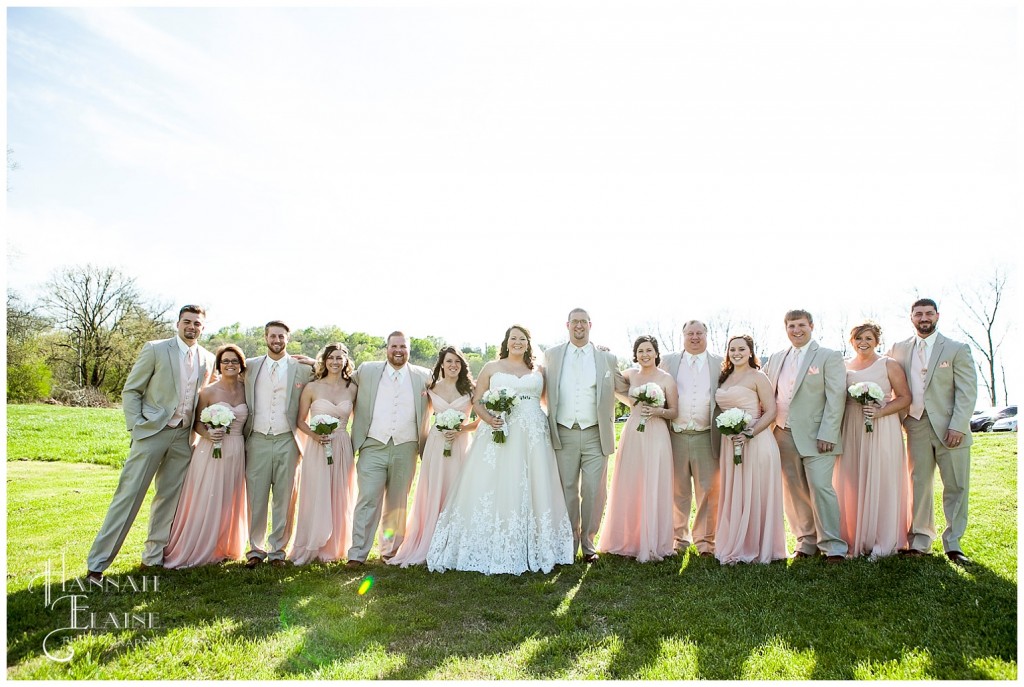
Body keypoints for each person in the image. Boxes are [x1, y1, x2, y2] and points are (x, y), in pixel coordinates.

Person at [427, 325, 574, 575]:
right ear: (506, 342)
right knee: (495, 484)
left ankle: (537, 545)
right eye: (513, 338)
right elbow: (477, 401)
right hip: (498, 430)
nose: (517, 342)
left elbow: (549, 401)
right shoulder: (491, 368)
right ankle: (490, 543)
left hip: (533, 434)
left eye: (522, 339)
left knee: (534, 484)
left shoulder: (539, 370)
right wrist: (489, 418)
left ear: (528, 343)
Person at [86, 305, 215, 581]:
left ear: (203, 328)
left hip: (184, 438)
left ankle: (153, 558)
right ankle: (98, 563)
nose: (192, 327)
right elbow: (131, 390)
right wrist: (136, 428)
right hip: (152, 434)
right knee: (128, 496)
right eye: (187, 322)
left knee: (168, 500)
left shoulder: (208, 358)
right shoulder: (156, 349)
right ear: (178, 324)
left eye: (197, 324)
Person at [888, 299, 977, 565]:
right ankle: (920, 541)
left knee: (956, 486)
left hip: (951, 427)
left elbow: (967, 391)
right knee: (919, 484)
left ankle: (953, 543)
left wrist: (958, 425)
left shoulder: (956, 348)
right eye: (918, 314)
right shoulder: (898, 349)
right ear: (911, 317)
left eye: (928, 313)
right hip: (915, 424)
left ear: (937, 315)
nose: (923, 318)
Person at [763, 309, 848, 563]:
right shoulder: (777, 357)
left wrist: (829, 433)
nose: (796, 330)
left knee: (821, 488)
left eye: (801, 325)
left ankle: (833, 546)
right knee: (794, 489)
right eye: (791, 326)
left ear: (811, 326)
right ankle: (806, 541)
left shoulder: (828, 356)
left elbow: (836, 397)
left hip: (818, 436)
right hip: (782, 433)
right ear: (785, 328)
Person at [543, 308, 627, 564]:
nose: (579, 326)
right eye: (574, 322)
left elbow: (623, 387)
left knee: (593, 490)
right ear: (567, 325)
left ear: (590, 325)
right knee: (567, 489)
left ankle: (588, 544)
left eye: (583, 322)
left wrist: (650, 398)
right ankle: (569, 543)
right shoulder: (552, 355)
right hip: (564, 432)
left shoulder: (606, 358)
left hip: (595, 433)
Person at [346, 331, 432, 567]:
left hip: (406, 447)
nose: (398, 350)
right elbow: (337, 375)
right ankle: (357, 553)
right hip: (373, 444)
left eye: (403, 346)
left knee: (397, 503)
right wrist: (312, 363)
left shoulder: (424, 376)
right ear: (386, 348)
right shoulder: (367, 370)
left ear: (409, 349)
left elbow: (449, 388)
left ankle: (390, 551)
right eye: (394, 346)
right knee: (367, 500)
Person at [388, 347, 478, 567]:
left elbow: (481, 419)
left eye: (457, 362)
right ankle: (428, 540)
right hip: (436, 445)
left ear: (462, 365)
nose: (453, 365)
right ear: (442, 364)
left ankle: (456, 543)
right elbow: (421, 415)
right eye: (449, 361)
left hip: (460, 444)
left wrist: (462, 430)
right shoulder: (430, 387)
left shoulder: (470, 390)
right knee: (434, 490)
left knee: (457, 490)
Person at [163, 344, 249, 569]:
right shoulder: (208, 391)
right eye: (225, 361)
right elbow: (197, 424)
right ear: (219, 365)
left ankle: (222, 544)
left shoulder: (246, 388)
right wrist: (209, 434)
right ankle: (199, 545)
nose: (229, 365)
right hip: (210, 450)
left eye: (234, 361)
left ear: (241, 364)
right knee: (207, 495)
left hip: (237, 449)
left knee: (229, 497)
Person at [597, 335, 678, 562]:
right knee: (630, 482)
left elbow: (674, 411)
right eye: (640, 351)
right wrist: (605, 354)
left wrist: (658, 412)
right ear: (636, 354)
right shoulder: (630, 374)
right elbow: (612, 381)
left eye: (649, 350)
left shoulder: (666, 379)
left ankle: (653, 540)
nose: (645, 354)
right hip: (633, 431)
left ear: (655, 353)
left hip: (657, 433)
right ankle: (626, 539)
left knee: (653, 482)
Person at [836, 321, 912, 560]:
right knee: (853, 479)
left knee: (882, 478)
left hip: (883, 426)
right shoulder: (845, 366)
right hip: (852, 427)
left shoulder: (888, 364)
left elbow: (904, 398)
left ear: (876, 341)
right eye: (859, 338)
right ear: (852, 341)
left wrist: (880, 412)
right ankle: (854, 539)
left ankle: (883, 540)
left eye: (868, 338)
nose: (863, 343)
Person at [242, 320, 314, 568]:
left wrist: (315, 362)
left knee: (285, 497)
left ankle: (278, 551)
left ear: (288, 339)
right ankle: (255, 549)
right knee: (256, 496)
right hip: (257, 438)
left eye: (281, 336)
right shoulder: (250, 366)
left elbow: (333, 371)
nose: (277, 340)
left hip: (288, 438)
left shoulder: (302, 369)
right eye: (273, 336)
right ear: (265, 337)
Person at [714, 334, 787, 564]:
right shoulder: (724, 378)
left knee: (756, 491)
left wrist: (748, 433)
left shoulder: (757, 376)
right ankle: (736, 540)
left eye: (741, 349)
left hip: (756, 441)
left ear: (750, 352)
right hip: (731, 443)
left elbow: (771, 411)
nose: (736, 353)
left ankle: (758, 545)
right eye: (732, 349)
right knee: (737, 491)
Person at [289, 343, 358, 565]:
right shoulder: (311, 388)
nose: (335, 362)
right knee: (317, 493)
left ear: (346, 361)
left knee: (340, 493)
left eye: (340, 358)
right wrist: (316, 436)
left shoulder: (353, 388)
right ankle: (312, 543)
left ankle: (335, 546)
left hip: (341, 444)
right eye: (331, 358)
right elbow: (300, 420)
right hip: (317, 445)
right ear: (324, 360)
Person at [659, 320, 723, 557]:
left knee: (709, 490)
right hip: (675, 434)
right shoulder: (669, 361)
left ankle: (706, 542)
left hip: (706, 435)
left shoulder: (719, 362)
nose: (694, 337)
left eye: (699, 333)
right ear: (682, 336)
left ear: (707, 335)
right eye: (690, 333)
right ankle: (679, 539)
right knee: (678, 490)